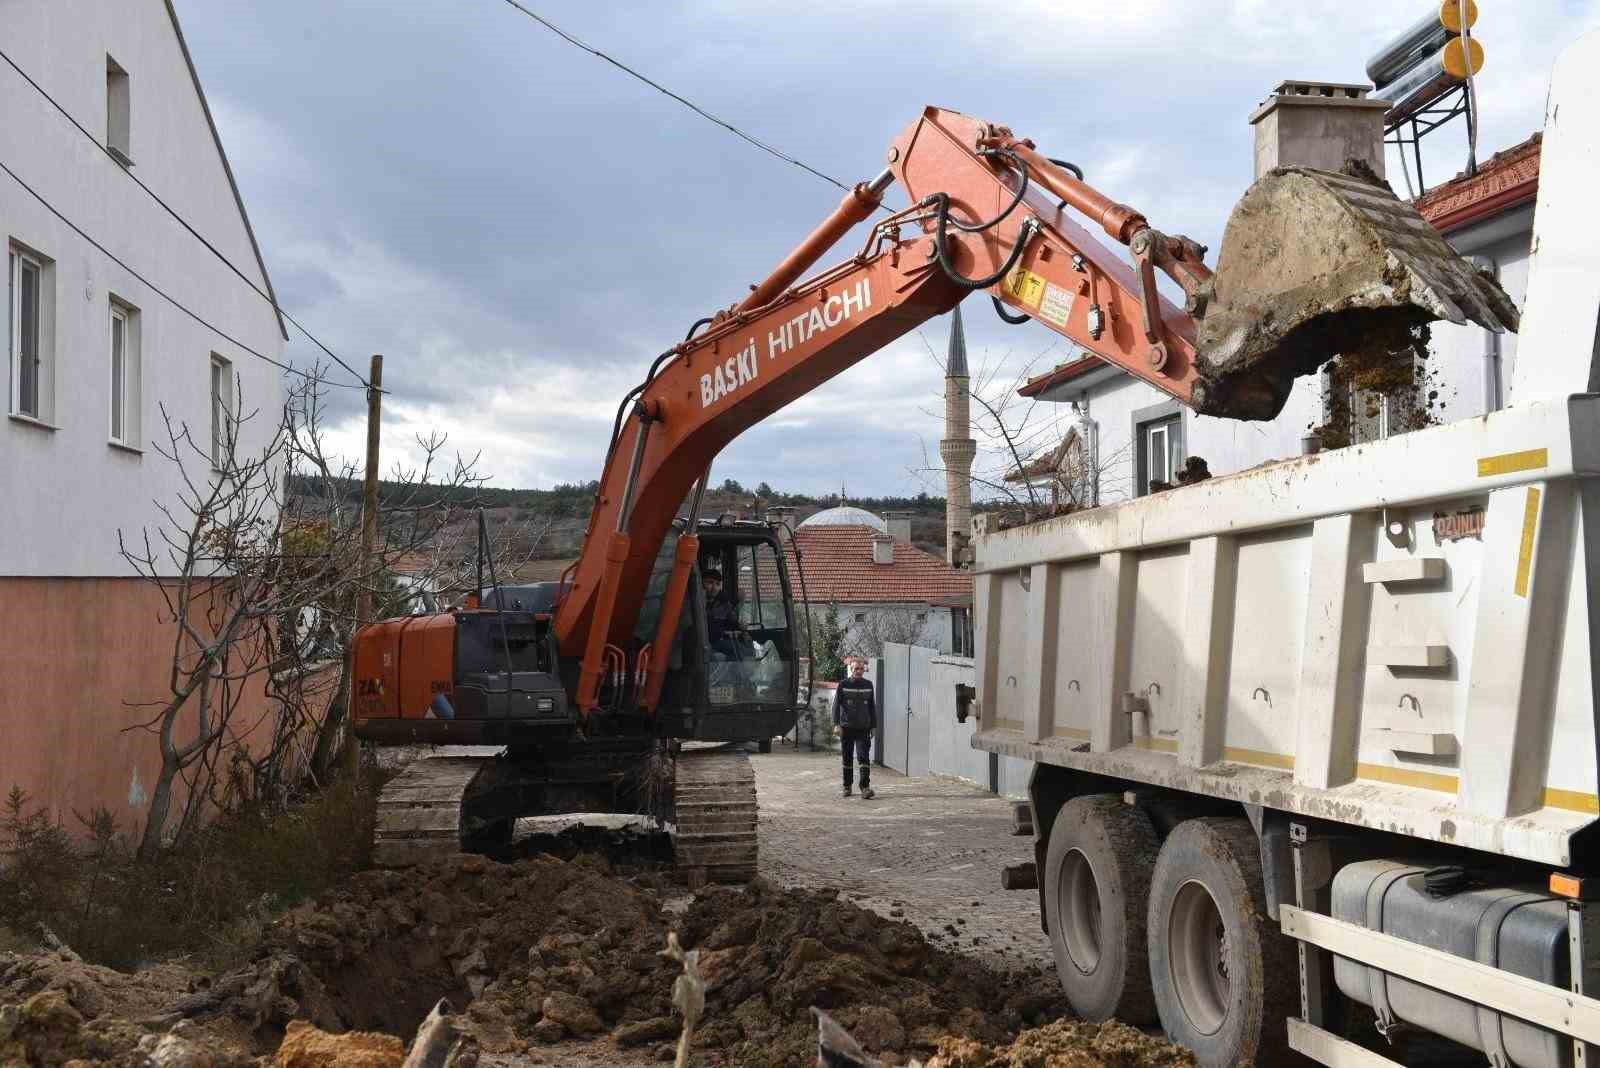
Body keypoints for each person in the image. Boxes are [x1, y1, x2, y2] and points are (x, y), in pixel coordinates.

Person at [834, 658, 876, 799]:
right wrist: (836, 724)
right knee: (847, 757)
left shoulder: (869, 685)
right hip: (847, 728)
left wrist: (874, 726)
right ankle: (847, 786)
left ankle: (865, 787)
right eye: (856, 669)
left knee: (864, 757)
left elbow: (872, 707)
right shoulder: (843, 685)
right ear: (851, 669)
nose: (858, 671)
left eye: (861, 669)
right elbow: (836, 706)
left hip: (863, 728)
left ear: (864, 670)